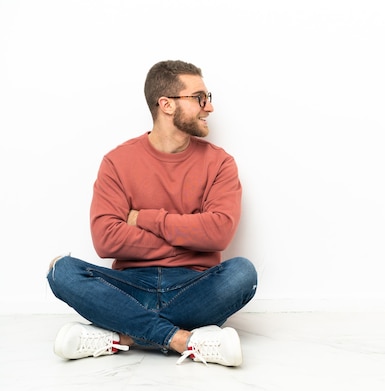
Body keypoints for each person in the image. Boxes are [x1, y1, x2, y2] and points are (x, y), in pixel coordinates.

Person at [47, 60, 257, 367]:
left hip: (193, 287)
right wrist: (188, 239)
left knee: (243, 273)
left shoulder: (220, 163)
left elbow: (219, 233)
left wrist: (143, 218)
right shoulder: (118, 161)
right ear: (167, 104)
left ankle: (122, 336)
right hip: (129, 287)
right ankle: (183, 339)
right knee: (60, 270)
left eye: (208, 98)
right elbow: (106, 240)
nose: (208, 107)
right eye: (199, 98)